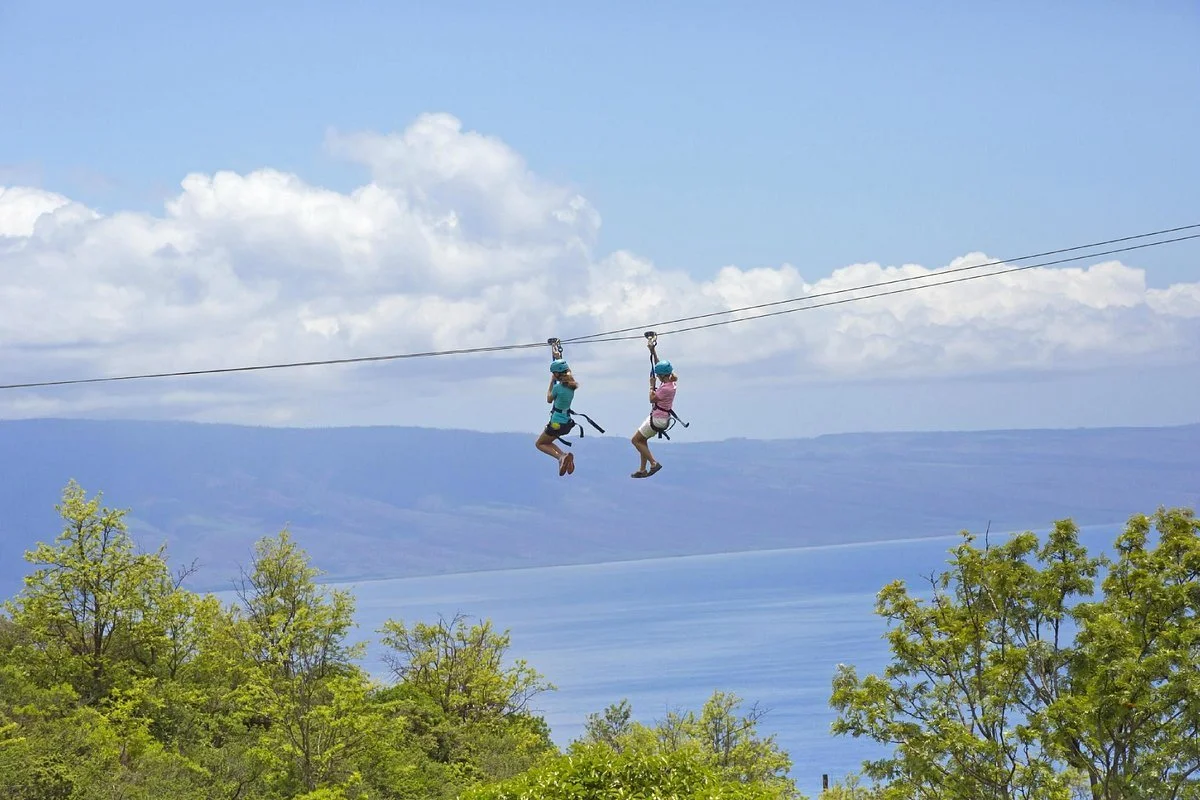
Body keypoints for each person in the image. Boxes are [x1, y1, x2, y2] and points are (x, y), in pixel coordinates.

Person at [630, 358, 676, 478]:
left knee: (635, 440)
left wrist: (651, 386)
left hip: (657, 419)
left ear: (661, 375)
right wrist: (653, 350)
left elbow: (651, 399)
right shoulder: (671, 384)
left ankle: (653, 463)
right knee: (642, 440)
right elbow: (659, 365)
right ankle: (642, 469)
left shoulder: (665, 388)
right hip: (661, 418)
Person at [536, 358, 577, 476]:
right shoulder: (572, 386)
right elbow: (568, 371)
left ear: (557, 374)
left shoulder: (557, 388)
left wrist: (551, 382)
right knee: (548, 442)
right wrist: (557, 355)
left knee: (539, 444)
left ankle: (561, 457)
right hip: (566, 423)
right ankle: (564, 457)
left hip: (556, 424)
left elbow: (549, 399)